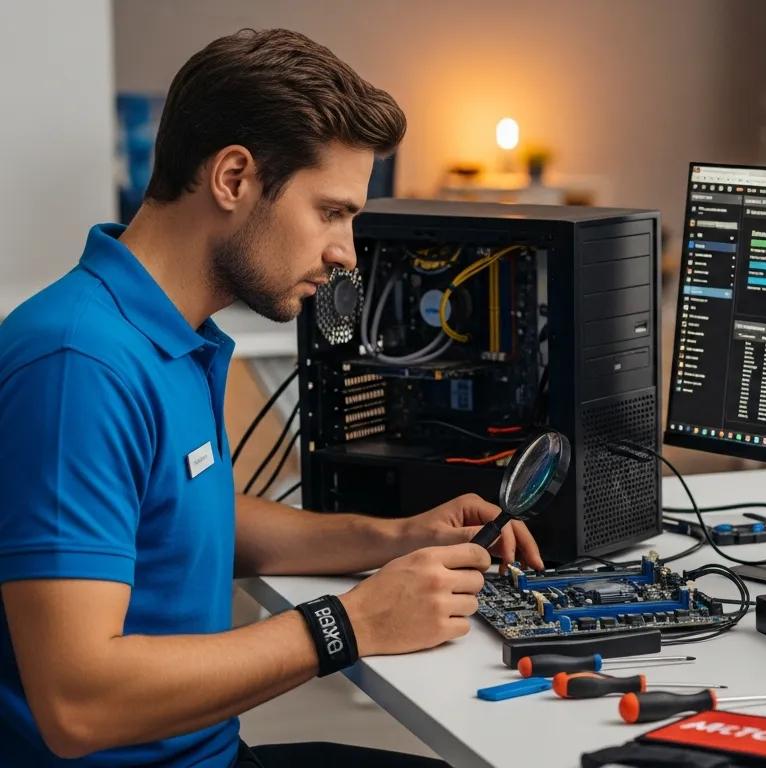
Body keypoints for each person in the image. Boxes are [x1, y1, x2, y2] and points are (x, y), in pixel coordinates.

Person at [0, 29, 544, 767]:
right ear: (232, 178)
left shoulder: (167, 333)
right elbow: (79, 703)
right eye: (331, 212)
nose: (347, 252)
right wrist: (350, 623)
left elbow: (186, 516)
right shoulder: (81, 365)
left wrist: (400, 539)